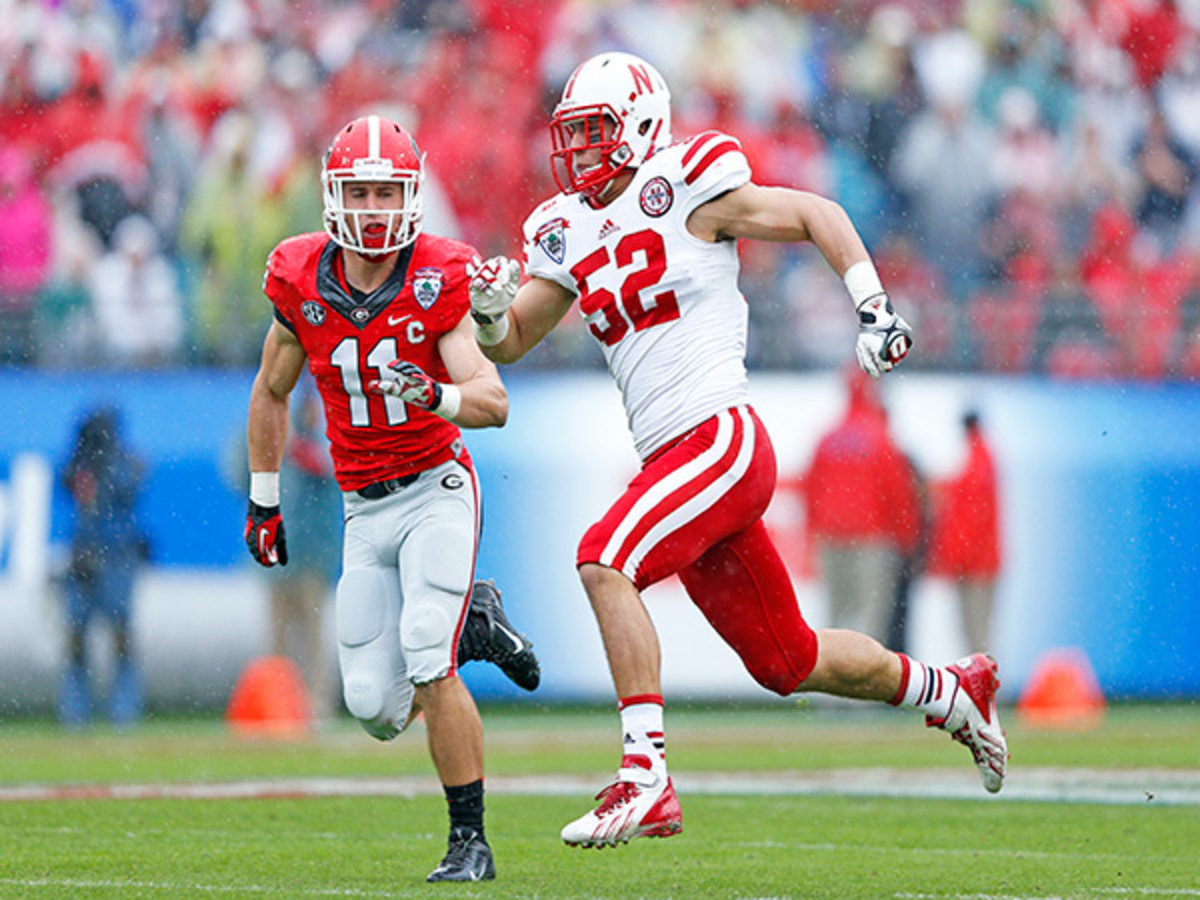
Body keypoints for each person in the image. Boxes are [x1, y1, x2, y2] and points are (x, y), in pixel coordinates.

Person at [467, 51, 1007, 848]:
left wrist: (872, 306)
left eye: (595, 131)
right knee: (787, 660)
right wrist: (486, 314)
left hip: (718, 436)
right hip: (673, 458)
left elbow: (816, 212)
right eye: (572, 133)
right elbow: (513, 340)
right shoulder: (565, 227)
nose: (578, 149)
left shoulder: (686, 184)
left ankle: (645, 776)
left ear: (640, 126)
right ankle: (951, 690)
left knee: (604, 558)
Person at [244, 114, 540, 883]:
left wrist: (433, 394)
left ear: (411, 197)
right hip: (360, 505)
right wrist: (265, 498)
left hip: (436, 486)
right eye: (360, 192)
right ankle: (474, 625)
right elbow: (271, 390)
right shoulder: (299, 276)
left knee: (425, 651)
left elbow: (493, 399)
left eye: (386, 192)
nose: (373, 208)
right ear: (333, 196)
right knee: (374, 706)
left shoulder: (437, 275)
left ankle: (470, 840)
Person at [805, 368, 913, 644]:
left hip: (832, 540)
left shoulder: (827, 438)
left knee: (834, 620)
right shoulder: (880, 438)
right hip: (871, 542)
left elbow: (811, 490)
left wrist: (818, 530)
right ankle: (863, 673)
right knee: (869, 624)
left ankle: (832, 672)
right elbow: (897, 494)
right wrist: (906, 539)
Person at [59, 405, 148, 728]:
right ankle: (75, 712)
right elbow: (68, 488)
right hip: (85, 557)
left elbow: (127, 488)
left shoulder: (124, 464)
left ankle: (124, 710)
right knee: (76, 638)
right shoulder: (79, 466)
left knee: (120, 635)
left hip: (116, 559)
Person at [925, 410, 1002, 652]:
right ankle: (984, 676)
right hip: (980, 563)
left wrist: (953, 560)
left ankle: (984, 677)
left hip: (975, 565)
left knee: (975, 634)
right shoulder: (981, 458)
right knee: (975, 633)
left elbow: (970, 518)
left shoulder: (977, 462)